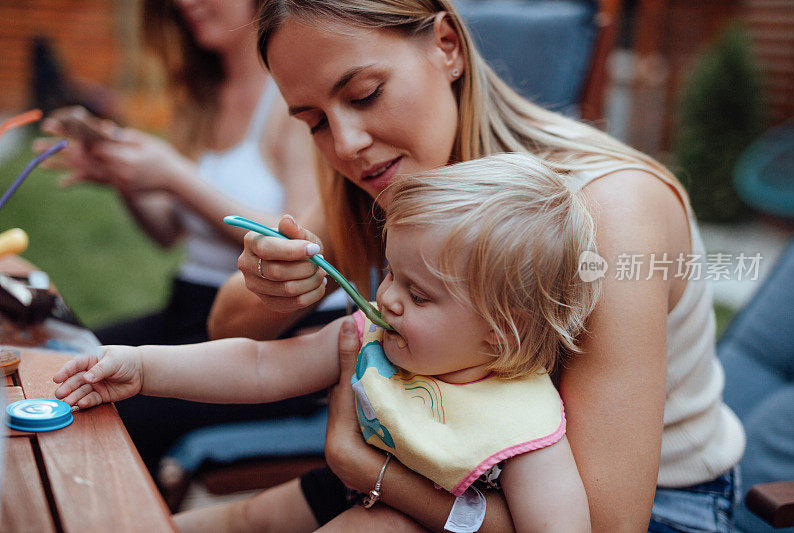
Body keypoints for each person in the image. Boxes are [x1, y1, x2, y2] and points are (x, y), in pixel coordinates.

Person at [201, 0, 746, 531]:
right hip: (452, 466)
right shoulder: (381, 177)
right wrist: (272, 282)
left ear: (447, 47)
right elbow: (224, 327)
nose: (346, 144)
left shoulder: (610, 211)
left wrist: (366, 469)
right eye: (315, 121)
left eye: (365, 95)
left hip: (651, 506)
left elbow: (606, 522)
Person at [53, 153, 598, 532]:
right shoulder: (377, 338)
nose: (388, 299)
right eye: (390, 275)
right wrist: (146, 369)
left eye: (420, 295)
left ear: (504, 331)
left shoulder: (523, 426)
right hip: (353, 488)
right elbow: (263, 364)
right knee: (249, 518)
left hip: (412, 518)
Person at [35, 0, 346, 478]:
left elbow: (301, 235)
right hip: (186, 307)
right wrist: (123, 177)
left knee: (99, 411)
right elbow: (166, 231)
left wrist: (175, 175)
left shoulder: (293, 97)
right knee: (50, 362)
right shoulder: (202, 94)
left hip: (267, 326)